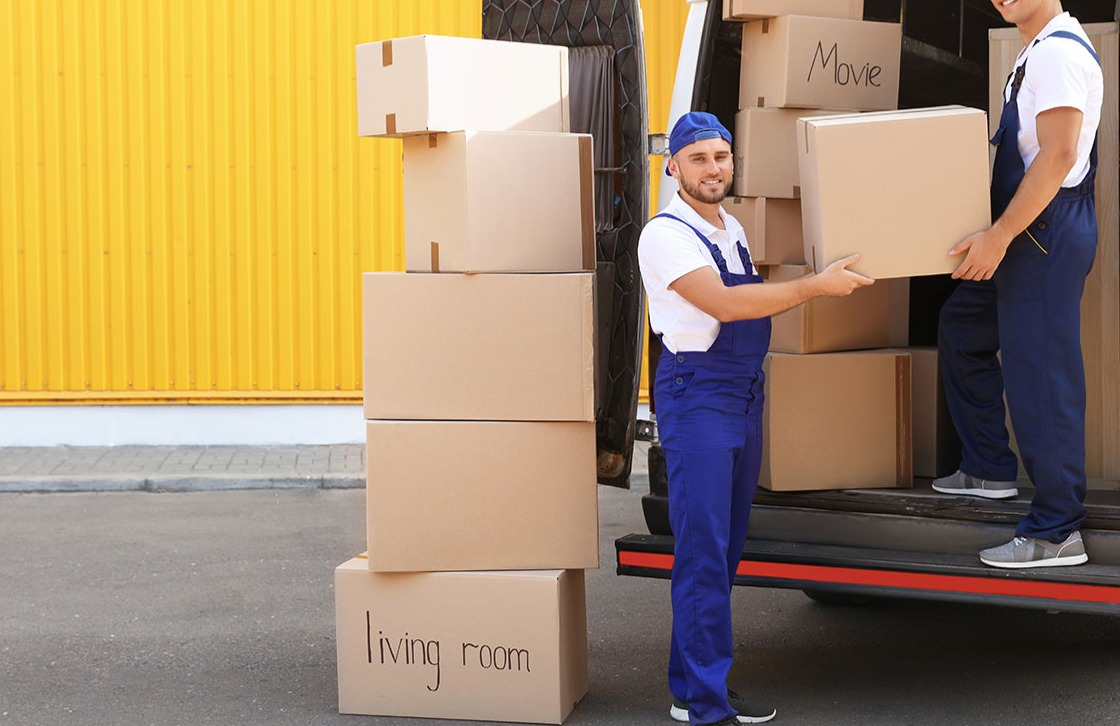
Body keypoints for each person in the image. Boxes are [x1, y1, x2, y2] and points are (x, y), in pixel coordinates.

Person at [637, 112, 872, 726]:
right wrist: (814, 288)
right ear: (674, 166)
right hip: (698, 398)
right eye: (699, 159)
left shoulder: (730, 226)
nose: (713, 169)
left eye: (721, 156)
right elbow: (725, 302)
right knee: (704, 551)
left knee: (725, 546)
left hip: (742, 393)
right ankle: (706, 706)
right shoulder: (666, 234)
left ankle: (695, 688)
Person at [933, 0, 1103, 569]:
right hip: (1023, 227)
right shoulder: (1033, 51)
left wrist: (999, 236)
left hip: (1042, 231)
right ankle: (987, 467)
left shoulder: (1058, 54)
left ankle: (1057, 531)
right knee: (962, 327)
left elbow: (1057, 156)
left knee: (1042, 376)